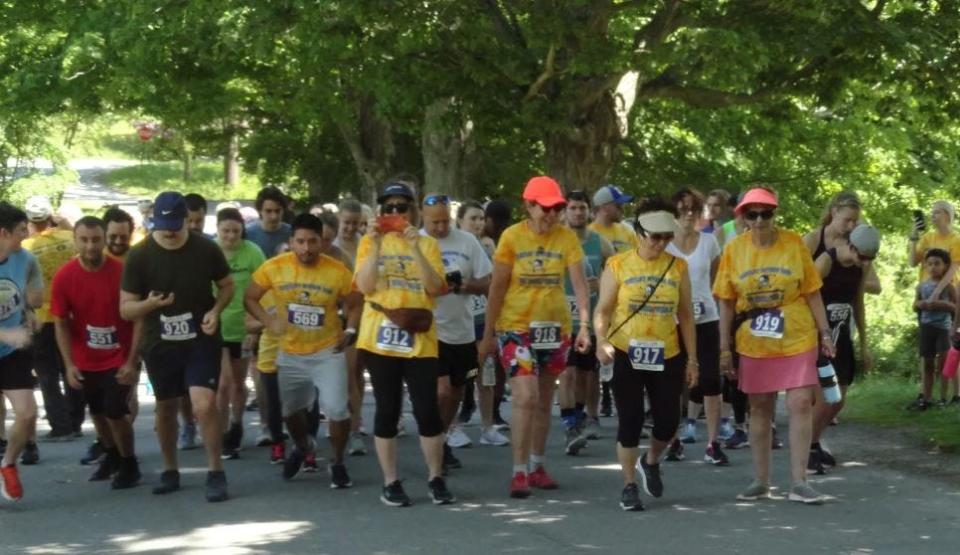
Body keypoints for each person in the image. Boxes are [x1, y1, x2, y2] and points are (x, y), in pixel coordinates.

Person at [714, 186, 835, 505]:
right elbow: (726, 302)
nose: (759, 219)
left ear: (774, 214)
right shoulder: (733, 251)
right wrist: (724, 347)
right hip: (754, 338)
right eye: (752, 214)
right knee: (760, 407)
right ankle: (761, 480)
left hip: (796, 332)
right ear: (742, 217)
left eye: (766, 213)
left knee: (799, 403)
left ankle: (799, 481)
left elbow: (812, 291)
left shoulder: (794, 243)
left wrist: (825, 332)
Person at [478, 176, 592, 499]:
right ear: (528, 206)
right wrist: (488, 336)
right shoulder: (512, 238)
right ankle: (518, 472)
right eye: (546, 208)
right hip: (516, 326)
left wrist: (584, 325)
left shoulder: (566, 237)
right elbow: (497, 287)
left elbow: (580, 284)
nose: (552, 215)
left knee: (544, 401)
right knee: (525, 396)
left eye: (557, 208)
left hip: (555, 329)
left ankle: (537, 465)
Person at [120, 191, 235, 502]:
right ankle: (170, 469)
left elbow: (227, 285)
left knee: (203, 404)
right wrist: (149, 304)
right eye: (163, 224)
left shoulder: (206, 248)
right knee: (167, 406)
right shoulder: (140, 255)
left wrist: (215, 311)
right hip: (160, 342)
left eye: (175, 224)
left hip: (200, 337)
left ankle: (215, 471)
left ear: (187, 219)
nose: (169, 231)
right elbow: (126, 309)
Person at [354, 181, 455, 507]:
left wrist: (413, 247)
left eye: (401, 208)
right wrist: (376, 243)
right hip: (379, 337)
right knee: (387, 409)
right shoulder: (369, 243)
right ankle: (391, 481)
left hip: (419, 338)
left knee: (427, 409)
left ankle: (436, 477)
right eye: (388, 208)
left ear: (412, 212)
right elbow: (365, 285)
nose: (394, 214)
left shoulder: (426, 245)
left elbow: (436, 287)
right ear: (380, 212)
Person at [594, 197, 698, 511]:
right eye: (656, 237)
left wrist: (692, 359)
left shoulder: (678, 266)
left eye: (668, 237)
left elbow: (687, 315)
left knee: (669, 421)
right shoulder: (618, 265)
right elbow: (603, 310)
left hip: (667, 352)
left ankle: (650, 460)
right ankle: (628, 485)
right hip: (626, 349)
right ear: (639, 232)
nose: (662, 243)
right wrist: (601, 339)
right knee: (631, 418)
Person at [245, 213, 359, 488]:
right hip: (291, 352)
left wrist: (350, 331)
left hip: (327, 351)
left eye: (312, 241)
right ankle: (304, 445)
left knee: (337, 410)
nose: (306, 248)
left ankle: (338, 462)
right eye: (300, 242)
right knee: (289, 412)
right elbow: (249, 297)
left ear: (322, 242)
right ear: (291, 241)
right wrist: (268, 320)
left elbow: (355, 303)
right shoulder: (274, 267)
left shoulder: (337, 271)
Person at [51, 216, 141, 489]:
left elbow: (139, 319)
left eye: (96, 240)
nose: (90, 246)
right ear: (75, 240)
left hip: (118, 355)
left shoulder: (122, 273)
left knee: (115, 410)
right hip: (86, 358)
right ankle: (111, 454)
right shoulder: (65, 277)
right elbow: (61, 323)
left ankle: (129, 462)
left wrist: (132, 360)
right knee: (98, 411)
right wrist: (68, 364)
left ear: (104, 240)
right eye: (84, 240)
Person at [420, 193, 493, 470]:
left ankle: (441, 435)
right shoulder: (416, 242)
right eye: (433, 222)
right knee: (441, 390)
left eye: (444, 221)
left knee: (456, 391)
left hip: (462, 330)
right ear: (422, 217)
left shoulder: (467, 241)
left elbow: (487, 282)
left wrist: (462, 286)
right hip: (429, 330)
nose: (439, 228)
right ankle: (434, 441)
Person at [809, 224, 880, 473]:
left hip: (842, 338)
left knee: (838, 401)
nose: (864, 262)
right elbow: (808, 296)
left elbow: (858, 304)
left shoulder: (861, 269)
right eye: (861, 256)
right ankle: (807, 449)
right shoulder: (826, 261)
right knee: (826, 398)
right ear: (851, 246)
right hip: (820, 338)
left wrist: (864, 344)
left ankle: (814, 441)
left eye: (869, 259)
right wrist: (819, 334)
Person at [667, 188, 729, 466]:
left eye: (694, 209)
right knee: (671, 381)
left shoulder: (709, 243)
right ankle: (672, 439)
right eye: (682, 209)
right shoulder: (664, 245)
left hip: (706, 319)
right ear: (673, 213)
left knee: (711, 380)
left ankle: (713, 443)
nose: (688, 214)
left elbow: (718, 280)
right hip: (672, 322)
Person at [22, 195, 82, 441]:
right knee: (72, 365)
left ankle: (61, 425)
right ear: (51, 216)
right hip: (73, 313)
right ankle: (76, 420)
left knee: (47, 373)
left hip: (43, 316)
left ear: (29, 221)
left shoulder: (26, 248)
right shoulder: (71, 239)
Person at [559, 190, 613, 455]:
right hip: (559, 319)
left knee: (584, 375)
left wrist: (599, 284)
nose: (578, 213)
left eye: (582, 208)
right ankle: (570, 425)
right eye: (573, 208)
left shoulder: (600, 243)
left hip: (588, 320)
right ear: (565, 211)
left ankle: (579, 417)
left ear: (589, 211)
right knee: (566, 372)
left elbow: (616, 279)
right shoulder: (555, 240)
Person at [0, 202, 43, 501]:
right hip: (9, 338)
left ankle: (8, 463)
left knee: (28, 415)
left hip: (13, 351)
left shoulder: (25, 259)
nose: (26, 236)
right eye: (19, 231)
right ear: (3, 233)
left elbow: (32, 297)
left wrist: (28, 312)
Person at [214, 208, 265, 459]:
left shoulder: (253, 252)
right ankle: (222, 432)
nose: (231, 236)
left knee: (238, 382)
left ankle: (236, 424)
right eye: (226, 231)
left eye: (235, 231)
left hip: (243, 327)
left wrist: (256, 323)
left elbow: (265, 287)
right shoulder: (210, 252)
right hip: (216, 326)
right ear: (217, 229)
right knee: (223, 383)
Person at [456, 201, 508, 445]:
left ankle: (488, 427)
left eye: (480, 218)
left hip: (482, 320)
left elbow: (494, 286)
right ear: (460, 222)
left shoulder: (489, 247)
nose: (478, 223)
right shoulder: (453, 247)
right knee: (461, 376)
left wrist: (495, 323)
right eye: (472, 219)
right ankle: (451, 427)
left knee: (486, 374)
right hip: (458, 322)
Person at [908, 200, 960, 405]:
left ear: (947, 215)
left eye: (937, 212)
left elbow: (952, 269)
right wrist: (914, 236)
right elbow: (913, 262)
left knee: (952, 345)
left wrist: (937, 295)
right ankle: (925, 394)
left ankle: (954, 395)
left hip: (948, 293)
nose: (932, 216)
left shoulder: (955, 239)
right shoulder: (928, 238)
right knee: (927, 349)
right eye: (931, 212)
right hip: (925, 293)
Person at [804, 192, 881, 294]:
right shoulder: (812, 240)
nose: (851, 226)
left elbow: (876, 287)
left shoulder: (855, 245)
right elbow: (796, 278)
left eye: (855, 221)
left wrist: (851, 283)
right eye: (847, 220)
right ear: (834, 212)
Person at [910, 248, 957, 411]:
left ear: (945, 266)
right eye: (929, 264)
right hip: (926, 327)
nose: (932, 267)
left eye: (937, 263)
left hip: (943, 329)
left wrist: (943, 305)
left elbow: (957, 307)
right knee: (927, 363)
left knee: (943, 364)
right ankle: (927, 397)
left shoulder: (949, 287)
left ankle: (943, 397)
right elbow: (914, 305)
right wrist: (920, 305)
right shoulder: (921, 286)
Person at [483, 199, 514, 428]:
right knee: (496, 365)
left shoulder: (498, 244)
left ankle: (488, 409)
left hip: (495, 307)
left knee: (490, 362)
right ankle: (492, 410)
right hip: (504, 308)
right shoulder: (512, 239)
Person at [589, 185, 638, 254]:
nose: (623, 210)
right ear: (605, 208)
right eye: (618, 206)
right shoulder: (588, 235)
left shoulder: (628, 231)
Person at [247, 186, 292, 258]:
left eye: (278, 211)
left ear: (283, 210)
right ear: (259, 211)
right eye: (268, 211)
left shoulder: (292, 233)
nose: (274, 216)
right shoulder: (248, 234)